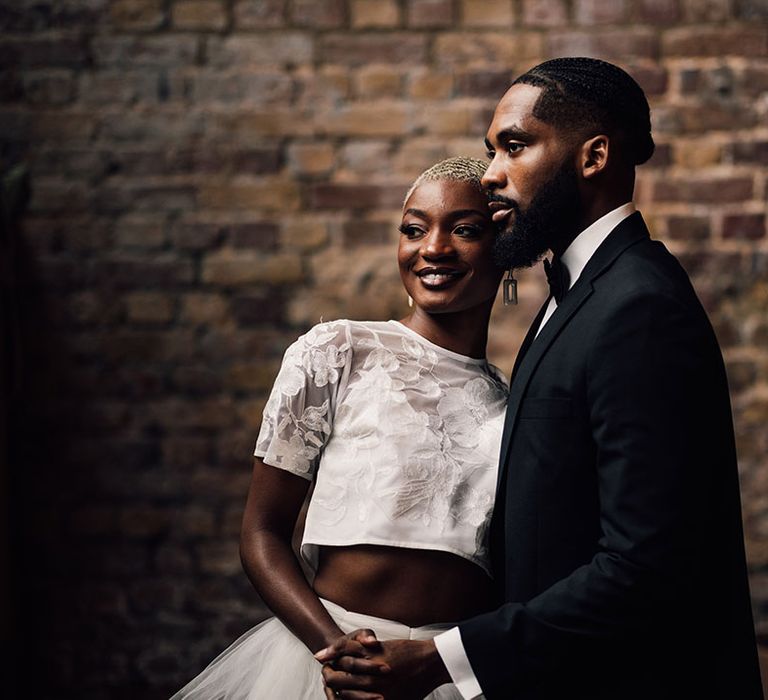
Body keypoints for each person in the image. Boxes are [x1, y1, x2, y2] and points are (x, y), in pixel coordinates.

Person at [318, 57, 763, 700]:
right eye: (491, 149)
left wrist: (443, 658)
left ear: (593, 157)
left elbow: (646, 565)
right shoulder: (577, 293)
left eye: (515, 146)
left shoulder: (639, 307)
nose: (492, 174)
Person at [170, 157, 510, 699]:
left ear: (506, 249)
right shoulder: (338, 352)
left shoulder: (514, 403)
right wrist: (336, 651)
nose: (433, 249)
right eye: (414, 230)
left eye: (464, 230)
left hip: (443, 675)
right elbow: (261, 533)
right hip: (326, 661)